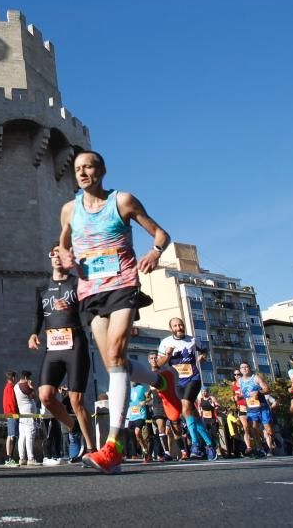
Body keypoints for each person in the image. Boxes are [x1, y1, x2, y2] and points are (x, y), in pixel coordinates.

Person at [57, 150, 181, 474]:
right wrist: (66, 258)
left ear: (102, 170)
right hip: (90, 292)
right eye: (78, 169)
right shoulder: (70, 210)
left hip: (123, 284)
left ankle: (114, 446)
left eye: (89, 167)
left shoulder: (122, 201)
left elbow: (161, 235)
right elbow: (63, 246)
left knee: (115, 351)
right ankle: (161, 380)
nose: (83, 173)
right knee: (115, 363)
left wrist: (155, 253)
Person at [28, 246, 97, 461]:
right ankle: (73, 427)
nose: (57, 257)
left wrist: (71, 309)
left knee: (76, 399)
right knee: (45, 396)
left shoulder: (77, 283)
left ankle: (92, 448)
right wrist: (33, 334)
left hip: (75, 343)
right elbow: (38, 315)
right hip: (53, 345)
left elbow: (89, 314)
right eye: (53, 254)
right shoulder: (42, 288)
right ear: (49, 258)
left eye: (61, 254)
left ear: (68, 259)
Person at [157, 317, 215, 460]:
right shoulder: (165, 343)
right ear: (171, 329)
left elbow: (204, 351)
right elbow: (159, 363)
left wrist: (202, 357)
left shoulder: (193, 340)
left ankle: (195, 445)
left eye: (180, 325)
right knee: (191, 414)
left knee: (186, 406)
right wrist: (168, 355)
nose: (179, 327)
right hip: (177, 382)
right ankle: (210, 443)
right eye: (175, 326)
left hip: (193, 378)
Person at [235, 362, 275, 456]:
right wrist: (238, 397)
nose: (244, 369)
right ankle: (261, 448)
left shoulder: (256, 378)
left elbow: (267, 389)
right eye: (242, 367)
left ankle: (271, 443)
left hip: (262, 407)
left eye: (246, 367)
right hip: (251, 408)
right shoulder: (239, 381)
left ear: (249, 368)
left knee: (269, 430)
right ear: (240, 370)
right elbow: (244, 394)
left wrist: (258, 392)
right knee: (254, 429)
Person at [15, 371, 39, 465]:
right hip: (28, 414)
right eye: (29, 378)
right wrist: (32, 387)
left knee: (22, 437)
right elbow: (34, 396)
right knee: (30, 436)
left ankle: (22, 458)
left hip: (22, 414)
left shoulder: (16, 386)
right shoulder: (25, 386)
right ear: (25, 377)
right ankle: (31, 458)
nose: (30, 379)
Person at [127, 382, 151, 463]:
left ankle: (145, 453)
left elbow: (149, 398)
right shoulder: (129, 389)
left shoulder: (141, 387)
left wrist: (145, 401)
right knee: (135, 436)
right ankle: (143, 451)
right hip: (132, 417)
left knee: (137, 433)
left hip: (141, 415)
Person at [3, 371, 19, 466]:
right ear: (12, 377)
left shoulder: (7, 387)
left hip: (9, 413)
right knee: (13, 436)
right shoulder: (10, 388)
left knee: (10, 435)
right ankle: (10, 458)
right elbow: (12, 402)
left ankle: (8, 458)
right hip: (12, 414)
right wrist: (15, 414)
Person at [197, 387, 220, 454]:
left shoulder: (211, 398)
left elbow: (217, 405)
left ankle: (217, 449)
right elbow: (199, 408)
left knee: (214, 434)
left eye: (205, 391)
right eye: (203, 392)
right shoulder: (200, 399)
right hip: (204, 419)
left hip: (212, 418)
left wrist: (215, 406)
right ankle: (207, 450)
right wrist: (199, 414)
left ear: (208, 392)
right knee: (205, 434)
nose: (204, 393)